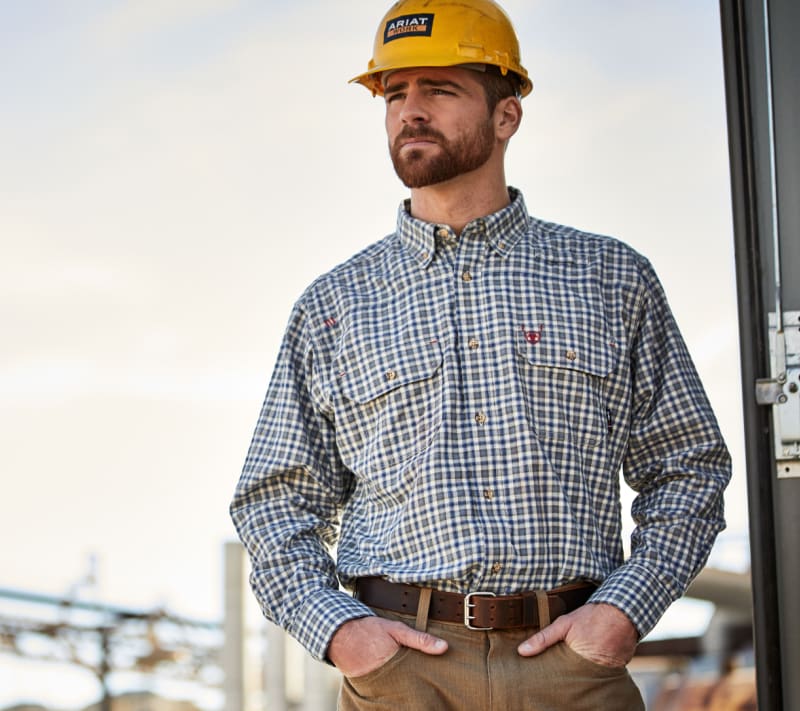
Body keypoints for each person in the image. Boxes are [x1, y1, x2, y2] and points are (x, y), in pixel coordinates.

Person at [230, 1, 731, 708]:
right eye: (395, 93)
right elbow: (274, 502)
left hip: (575, 666)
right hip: (403, 669)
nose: (410, 110)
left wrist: (624, 612)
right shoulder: (333, 305)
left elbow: (686, 465)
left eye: (439, 89)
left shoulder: (610, 277)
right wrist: (343, 633)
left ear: (506, 116)